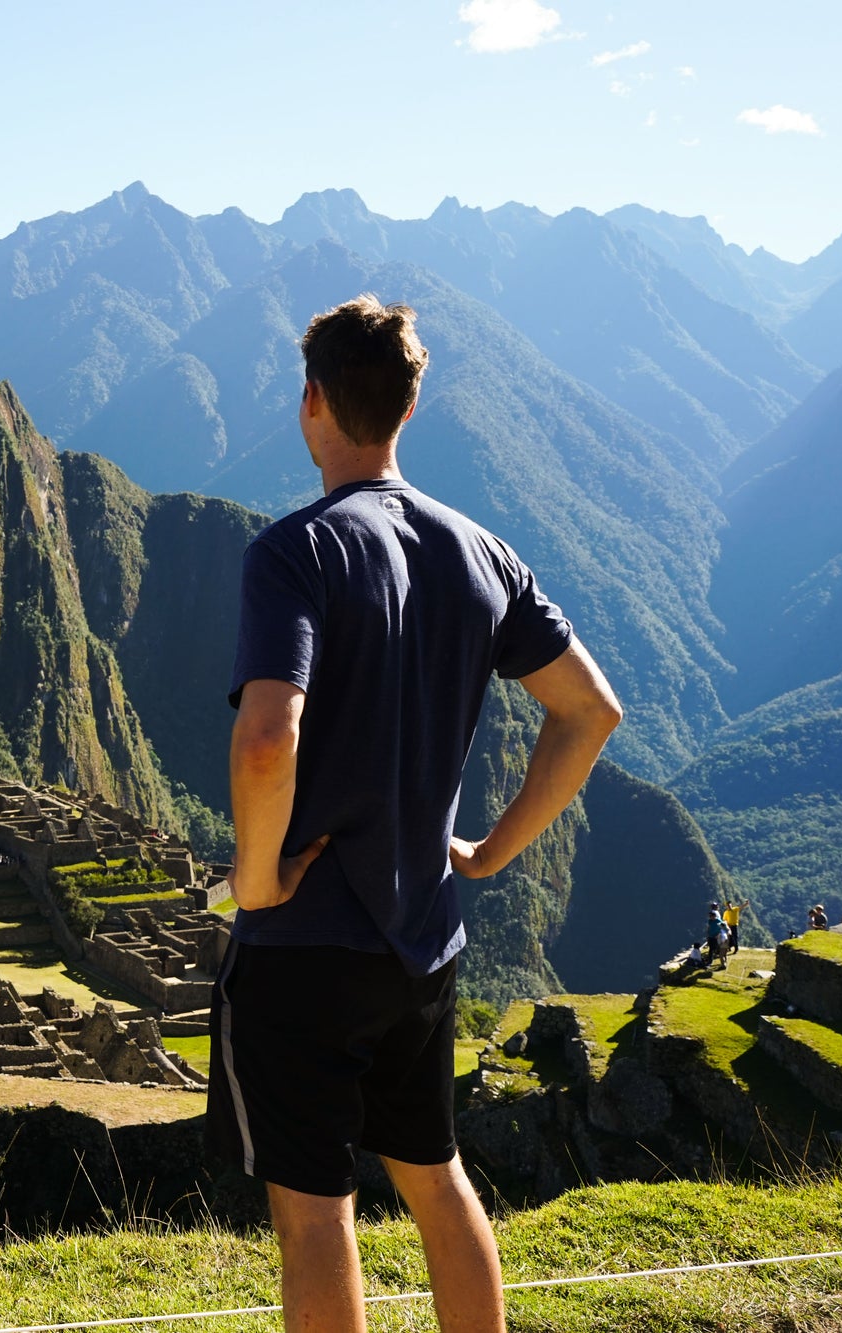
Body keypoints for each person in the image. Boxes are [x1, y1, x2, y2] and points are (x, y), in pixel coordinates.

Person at [213, 295, 622, 1333]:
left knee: (315, 1212)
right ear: (407, 405)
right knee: (435, 1178)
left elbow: (265, 738)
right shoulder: (480, 552)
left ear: (312, 401)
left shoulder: (295, 552)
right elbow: (589, 710)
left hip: (304, 945)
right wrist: (488, 853)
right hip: (422, 945)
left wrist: (255, 878)